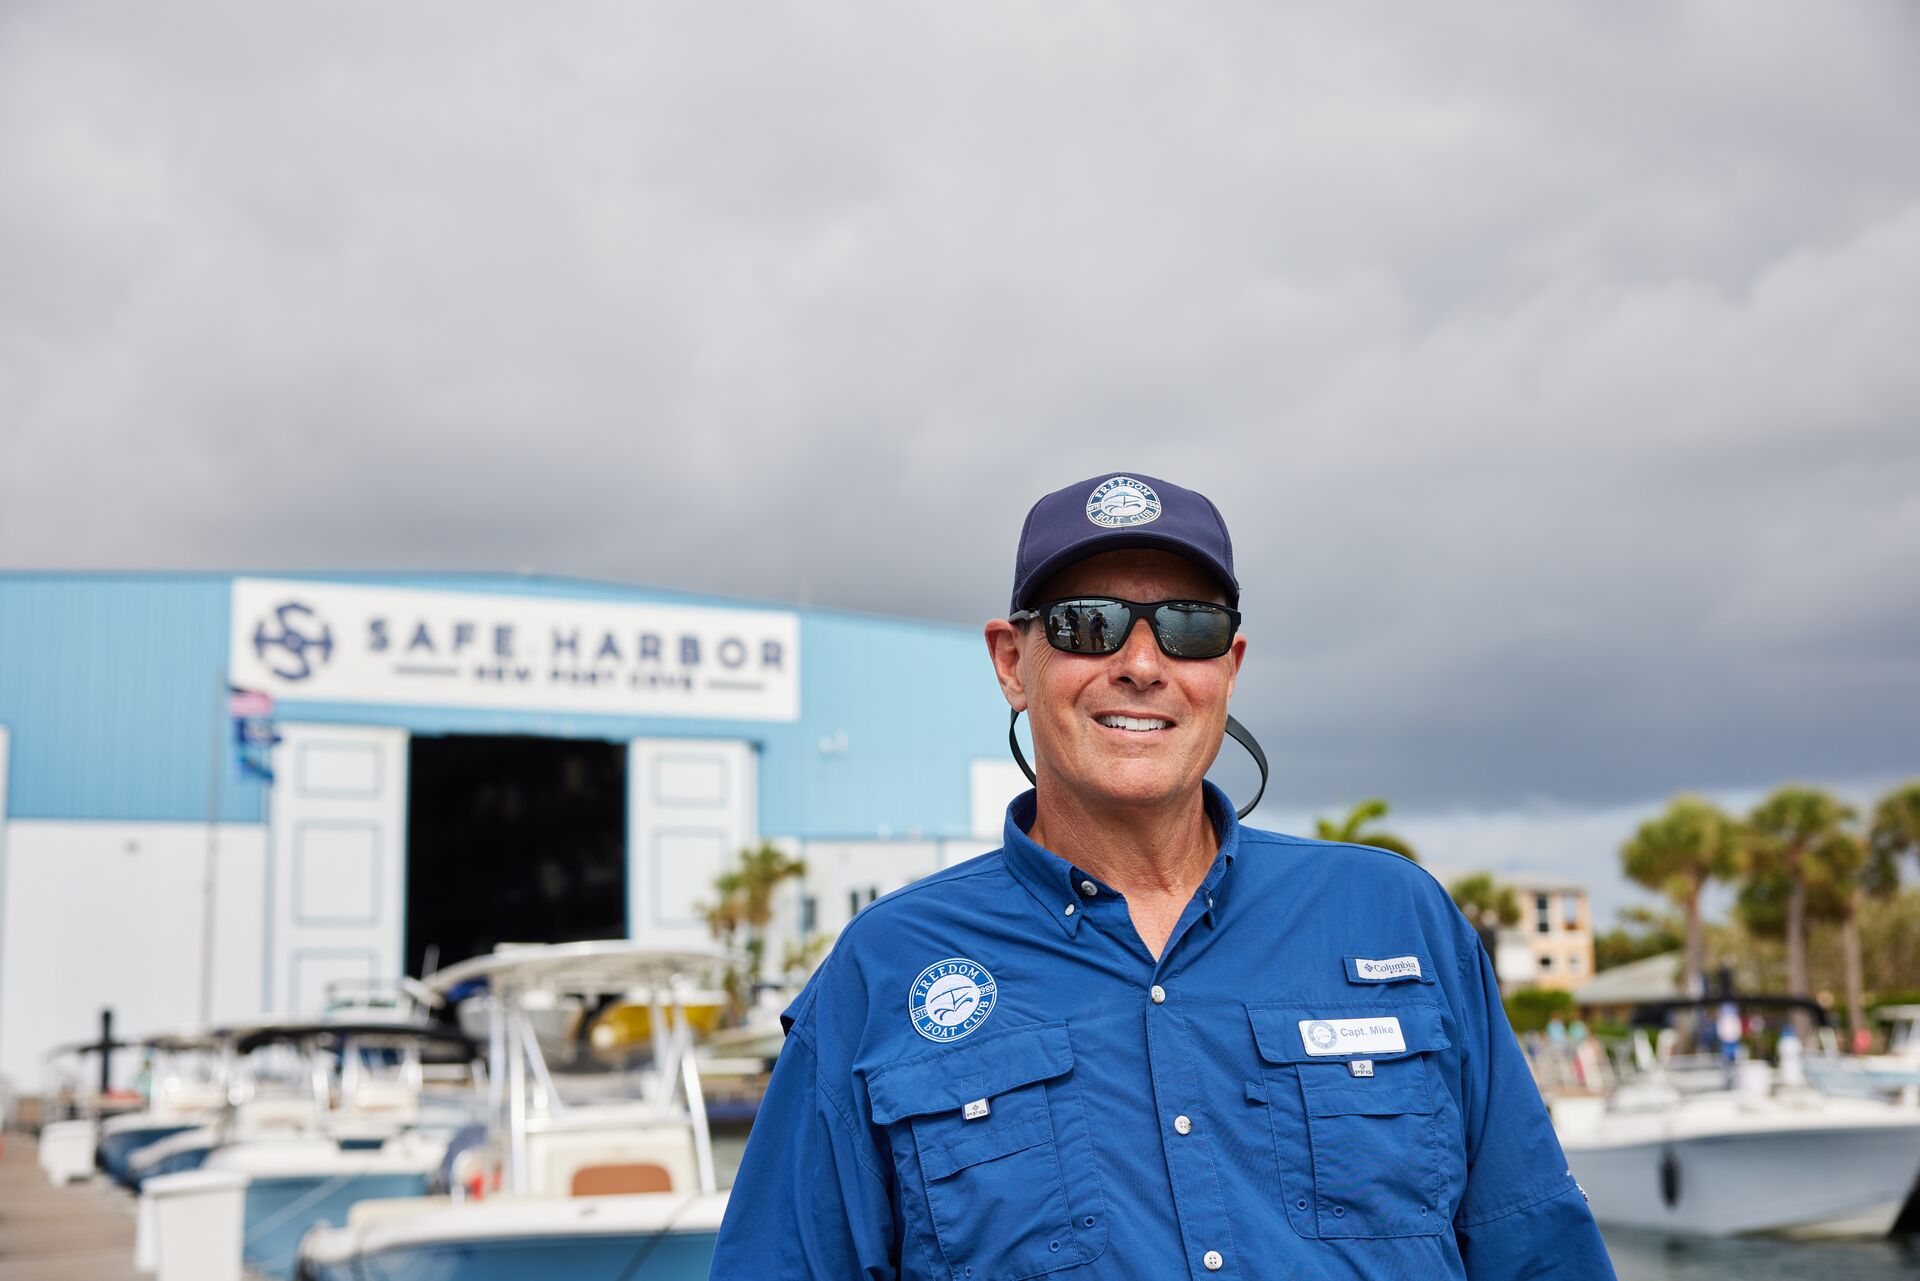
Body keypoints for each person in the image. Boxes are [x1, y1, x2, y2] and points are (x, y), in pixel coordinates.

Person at [710, 473, 1615, 1280]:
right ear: (1011, 662)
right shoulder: (883, 970)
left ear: (1231, 666)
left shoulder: (1398, 917)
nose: (1142, 664)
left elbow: (1535, 1247)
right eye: (1087, 623)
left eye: (1188, 627)